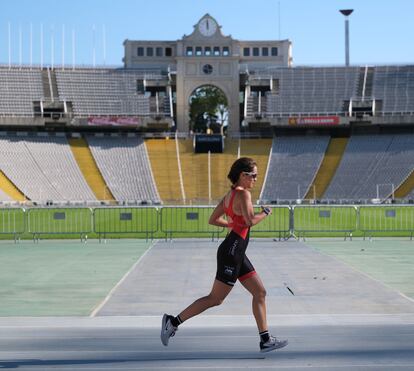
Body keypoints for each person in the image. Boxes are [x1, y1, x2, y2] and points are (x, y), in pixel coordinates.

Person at [161, 157, 288, 353]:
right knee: (215, 299)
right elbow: (248, 221)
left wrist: (231, 224)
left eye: (256, 176)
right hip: (232, 252)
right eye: (253, 175)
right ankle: (173, 322)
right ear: (242, 176)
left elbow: (213, 219)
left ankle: (265, 340)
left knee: (260, 292)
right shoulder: (244, 194)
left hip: (235, 249)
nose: (255, 179)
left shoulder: (230, 195)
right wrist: (265, 213)